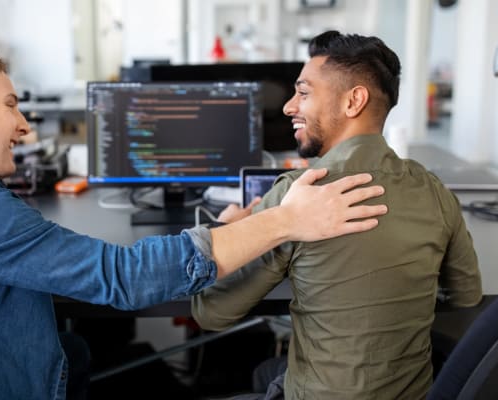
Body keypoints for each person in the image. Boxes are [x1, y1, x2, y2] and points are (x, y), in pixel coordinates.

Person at [0, 45, 389, 400]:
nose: (25, 126)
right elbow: (122, 278)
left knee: (84, 350)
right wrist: (286, 221)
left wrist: (225, 230)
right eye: (10, 105)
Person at [191, 30, 482, 400]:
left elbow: (212, 312)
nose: (289, 106)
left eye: (304, 92)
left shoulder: (298, 195)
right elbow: (466, 296)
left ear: (353, 101)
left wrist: (229, 229)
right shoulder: (435, 192)